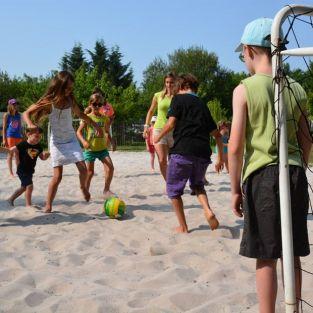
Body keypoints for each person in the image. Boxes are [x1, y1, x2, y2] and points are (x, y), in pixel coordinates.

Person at [228, 18, 311, 313]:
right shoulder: (297, 88)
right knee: (292, 252)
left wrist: (235, 189)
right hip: (296, 174)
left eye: (242, 56)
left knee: (266, 255)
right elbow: (306, 141)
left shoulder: (245, 89)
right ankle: (296, 307)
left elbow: (235, 146)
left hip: (263, 176)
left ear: (250, 51)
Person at [23, 71, 103, 213]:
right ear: (59, 86)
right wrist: (30, 124)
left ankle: (83, 187)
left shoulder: (70, 100)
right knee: (57, 176)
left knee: (83, 169)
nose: (70, 91)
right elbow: (26, 113)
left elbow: (81, 115)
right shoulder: (49, 101)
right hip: (57, 142)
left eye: (71, 88)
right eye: (67, 88)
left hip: (71, 139)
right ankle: (48, 205)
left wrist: (95, 125)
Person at [154, 74, 224, 233]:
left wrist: (157, 136)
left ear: (182, 85)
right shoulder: (202, 104)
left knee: (173, 190)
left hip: (182, 151)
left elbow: (171, 123)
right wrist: (220, 158)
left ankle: (183, 226)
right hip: (203, 154)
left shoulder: (177, 99)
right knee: (198, 185)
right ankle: (207, 210)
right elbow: (217, 135)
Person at [77, 93, 115, 199]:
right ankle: (86, 192)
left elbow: (107, 131)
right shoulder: (87, 118)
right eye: (95, 104)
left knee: (110, 168)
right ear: (90, 104)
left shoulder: (105, 119)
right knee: (90, 173)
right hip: (90, 150)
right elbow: (78, 132)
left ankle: (106, 190)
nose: (97, 106)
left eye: (100, 104)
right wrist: (83, 141)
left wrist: (112, 141)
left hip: (102, 149)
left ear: (102, 105)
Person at [0, 127, 50, 207]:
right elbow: (10, 150)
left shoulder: (39, 146)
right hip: (22, 170)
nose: (38, 139)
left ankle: (10, 199)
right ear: (28, 135)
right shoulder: (23, 144)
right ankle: (28, 205)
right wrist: (3, 149)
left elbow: (42, 158)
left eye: (40, 137)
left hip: (30, 171)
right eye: (36, 136)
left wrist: (46, 156)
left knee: (23, 187)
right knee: (29, 186)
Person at [143, 73, 175, 181]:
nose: (169, 85)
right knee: (162, 160)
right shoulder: (158, 95)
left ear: (175, 83)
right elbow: (151, 111)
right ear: (164, 83)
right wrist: (146, 127)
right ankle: (169, 183)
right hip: (158, 129)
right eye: (167, 82)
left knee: (174, 160)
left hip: (174, 131)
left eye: (171, 82)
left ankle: (174, 180)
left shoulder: (178, 96)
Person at [2, 99, 23, 176]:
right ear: (10, 105)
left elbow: (20, 126)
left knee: (18, 154)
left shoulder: (19, 115)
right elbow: (4, 128)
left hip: (18, 136)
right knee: (10, 154)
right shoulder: (6, 115)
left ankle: (19, 171)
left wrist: (22, 135)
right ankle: (11, 173)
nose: (15, 105)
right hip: (10, 136)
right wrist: (4, 139)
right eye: (14, 104)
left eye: (16, 104)